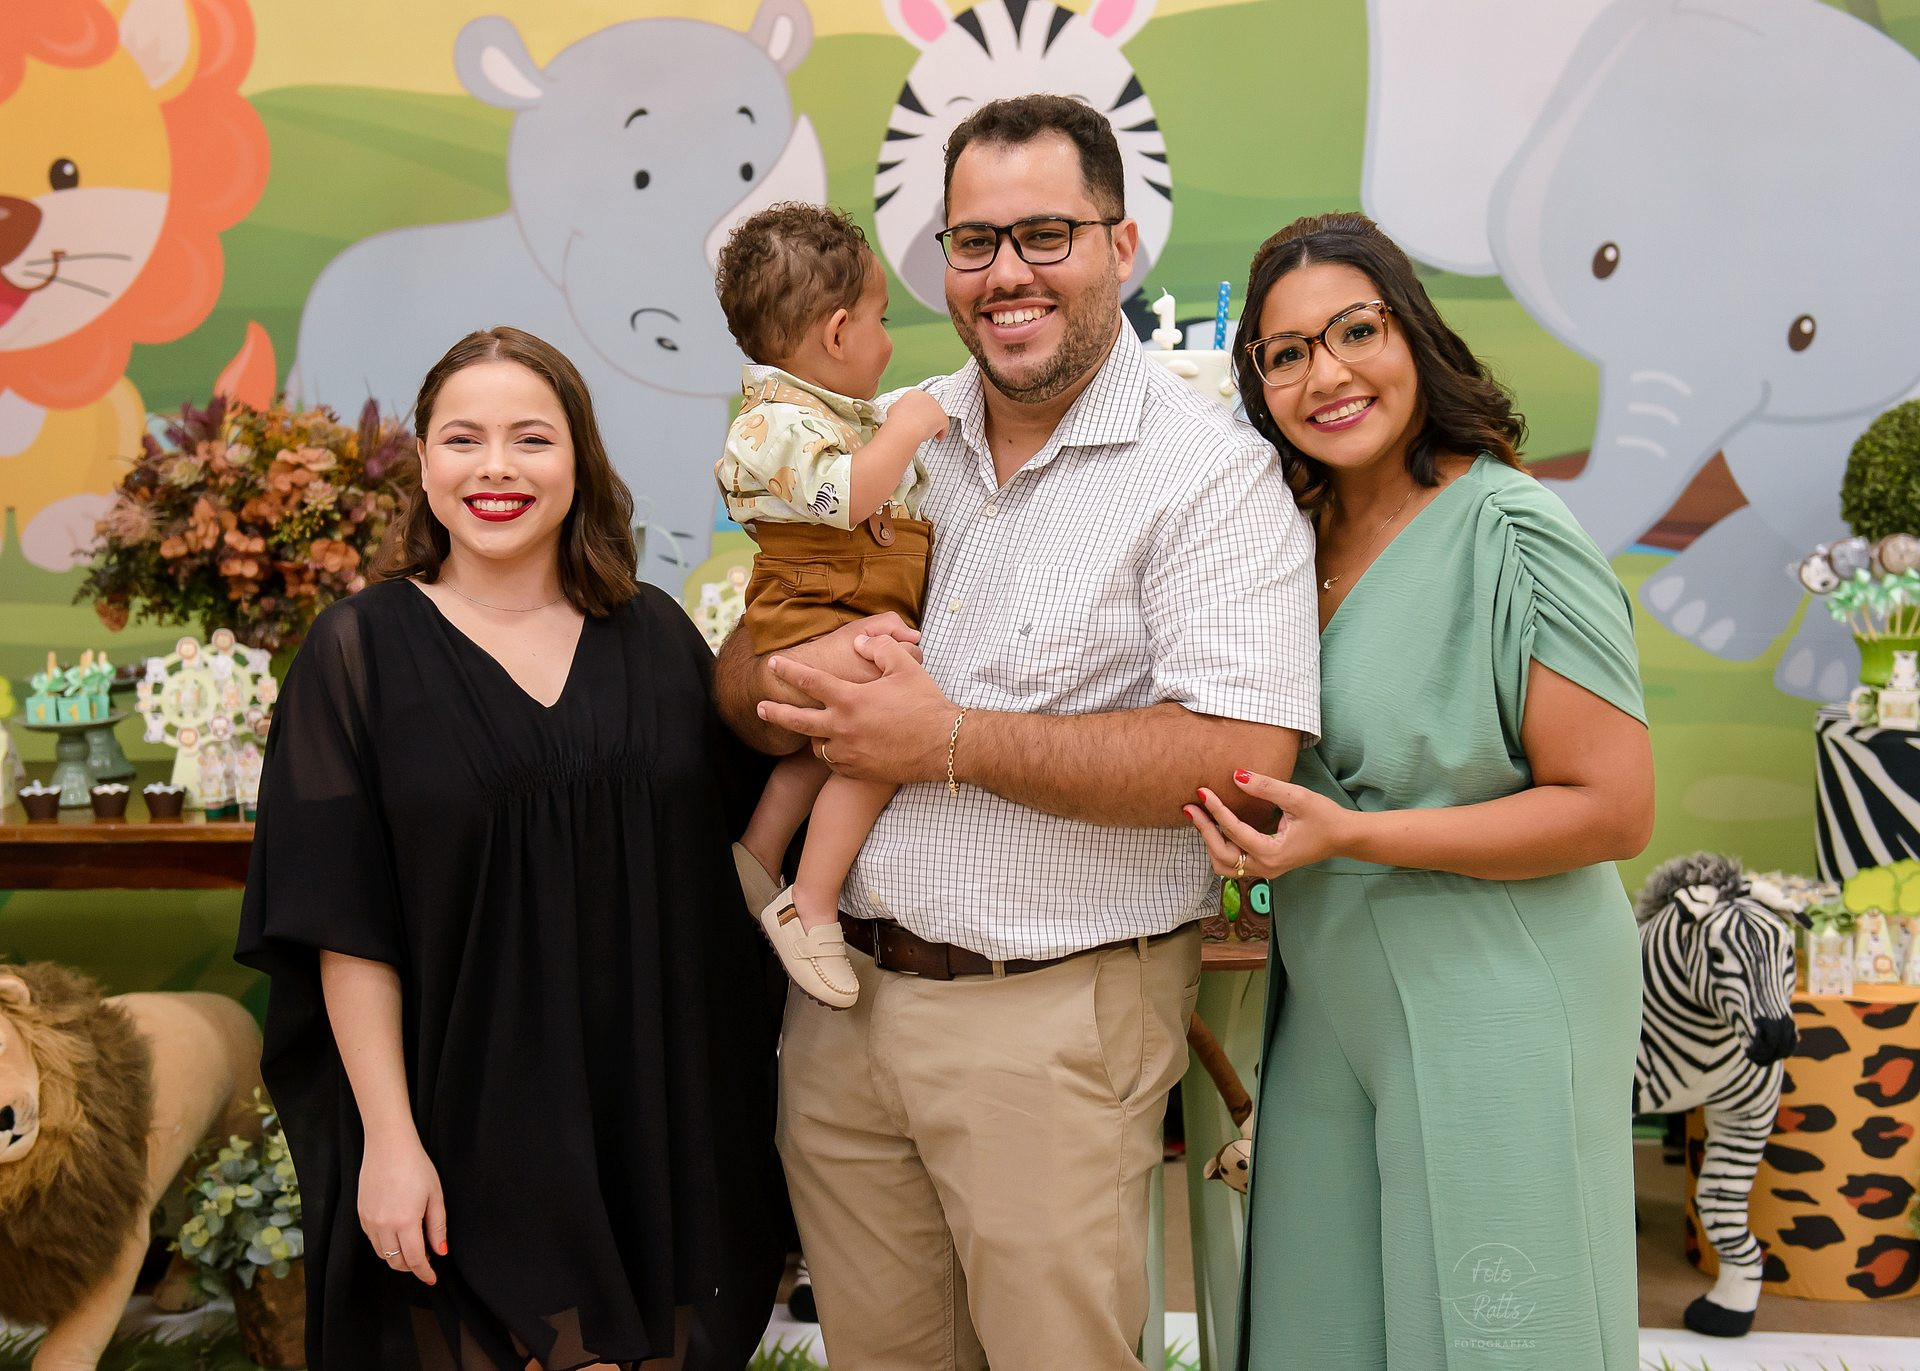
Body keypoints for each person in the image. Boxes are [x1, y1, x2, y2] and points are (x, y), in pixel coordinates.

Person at [713, 95, 1320, 1369]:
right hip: (840, 1006)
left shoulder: (1209, 476)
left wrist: (943, 741)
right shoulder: (892, 431)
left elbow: (1241, 759)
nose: (1007, 274)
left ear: (1122, 244)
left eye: (1047, 235)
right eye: (975, 242)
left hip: (1049, 1024)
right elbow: (743, 673)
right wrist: (791, 672)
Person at [236, 327, 784, 1371]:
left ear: (579, 461)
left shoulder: (658, 638)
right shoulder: (356, 656)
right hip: (464, 1133)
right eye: (463, 439)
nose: (496, 468)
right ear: (423, 463)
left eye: (531, 438)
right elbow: (344, 927)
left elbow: (730, 860)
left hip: (654, 1128)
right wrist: (390, 1141)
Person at [1184, 212, 1654, 1370]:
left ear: (1415, 337)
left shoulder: (1513, 531)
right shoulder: (1282, 539)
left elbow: (1613, 807)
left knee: (1496, 1334)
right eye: (1287, 353)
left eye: (1357, 331)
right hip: (1329, 989)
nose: (1327, 374)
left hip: (1498, 983)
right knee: (1319, 1328)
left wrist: (1353, 834)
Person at [713, 203, 951, 1011]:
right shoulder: (772, 425)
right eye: (884, 321)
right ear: (840, 333)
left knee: (824, 746)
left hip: (838, 611)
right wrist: (907, 426)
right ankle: (809, 902)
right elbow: (846, 497)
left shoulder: (829, 414)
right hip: (810, 614)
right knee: (885, 728)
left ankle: (759, 854)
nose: (889, 343)